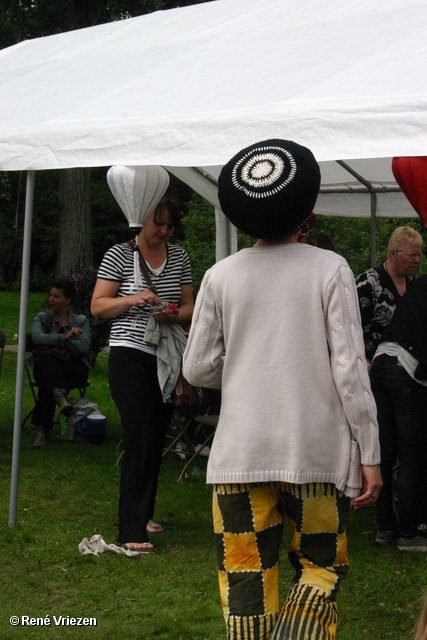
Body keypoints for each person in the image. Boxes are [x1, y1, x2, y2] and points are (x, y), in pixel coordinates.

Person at [182, 139, 382, 640]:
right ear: (306, 210)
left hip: (239, 455)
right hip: (315, 450)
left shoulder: (219, 276)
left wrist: (247, 365)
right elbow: (350, 371)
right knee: (319, 568)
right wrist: (371, 452)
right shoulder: (329, 268)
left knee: (246, 580)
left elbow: (198, 367)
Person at [91, 188, 193, 553]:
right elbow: (98, 307)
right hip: (128, 355)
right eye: (158, 223)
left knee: (155, 435)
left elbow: (188, 308)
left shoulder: (179, 257)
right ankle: (131, 530)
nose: (164, 231)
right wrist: (133, 298)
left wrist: (172, 314)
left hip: (165, 355)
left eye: (169, 225)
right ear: (142, 218)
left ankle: (145, 513)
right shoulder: (119, 255)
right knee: (138, 434)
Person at [369, 274, 427, 550]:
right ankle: (408, 533)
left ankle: (386, 528)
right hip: (406, 366)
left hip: (381, 361)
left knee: (385, 450)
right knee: (411, 454)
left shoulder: (421, 284)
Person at [32, 276, 91, 447]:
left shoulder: (81, 321)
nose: (51, 299)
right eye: (50, 295)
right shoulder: (42, 318)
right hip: (48, 364)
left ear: (68, 300)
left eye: (56, 296)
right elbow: (36, 338)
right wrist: (65, 337)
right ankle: (61, 398)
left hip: (74, 368)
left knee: (48, 381)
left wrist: (69, 339)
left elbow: (84, 347)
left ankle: (44, 430)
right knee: (45, 365)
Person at [356, 226, 423, 366]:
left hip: (406, 368)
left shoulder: (413, 285)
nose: (417, 260)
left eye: (419, 255)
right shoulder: (369, 283)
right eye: (412, 256)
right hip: (371, 366)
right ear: (393, 254)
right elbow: (353, 326)